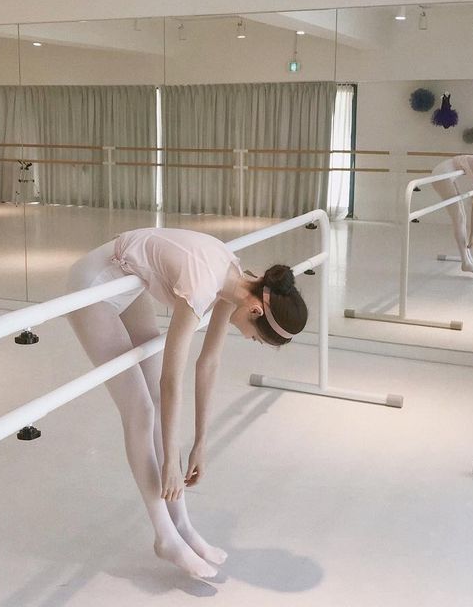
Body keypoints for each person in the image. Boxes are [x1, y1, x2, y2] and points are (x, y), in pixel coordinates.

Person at [66, 227, 308, 578]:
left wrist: (200, 443)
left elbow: (208, 363)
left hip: (128, 279)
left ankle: (182, 525)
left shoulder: (234, 281)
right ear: (256, 310)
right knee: (141, 408)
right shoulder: (204, 284)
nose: (251, 339)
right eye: (257, 338)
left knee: (155, 406)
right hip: (94, 282)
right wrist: (170, 464)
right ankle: (164, 535)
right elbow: (171, 379)